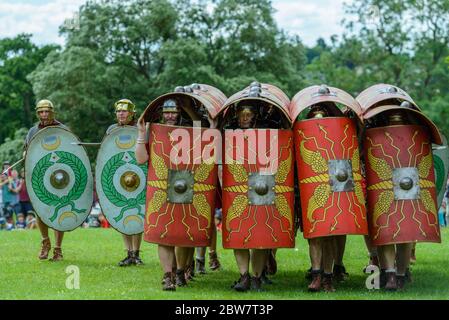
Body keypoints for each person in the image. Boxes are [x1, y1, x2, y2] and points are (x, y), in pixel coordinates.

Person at [24, 99, 69, 261]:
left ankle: (58, 248)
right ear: (37, 113)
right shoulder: (32, 131)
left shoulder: (63, 130)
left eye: (47, 111)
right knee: (39, 209)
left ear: (52, 112)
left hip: (60, 176)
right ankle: (45, 242)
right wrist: (25, 156)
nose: (44, 115)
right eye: (41, 112)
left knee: (59, 209)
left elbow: (71, 153)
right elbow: (27, 151)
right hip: (39, 175)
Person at [106, 99, 144, 266]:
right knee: (121, 212)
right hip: (118, 175)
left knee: (137, 212)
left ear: (131, 113)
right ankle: (128, 252)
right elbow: (106, 152)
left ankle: (136, 253)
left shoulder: (139, 129)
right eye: (118, 111)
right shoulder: (111, 130)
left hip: (138, 175)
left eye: (124, 111)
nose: (121, 114)